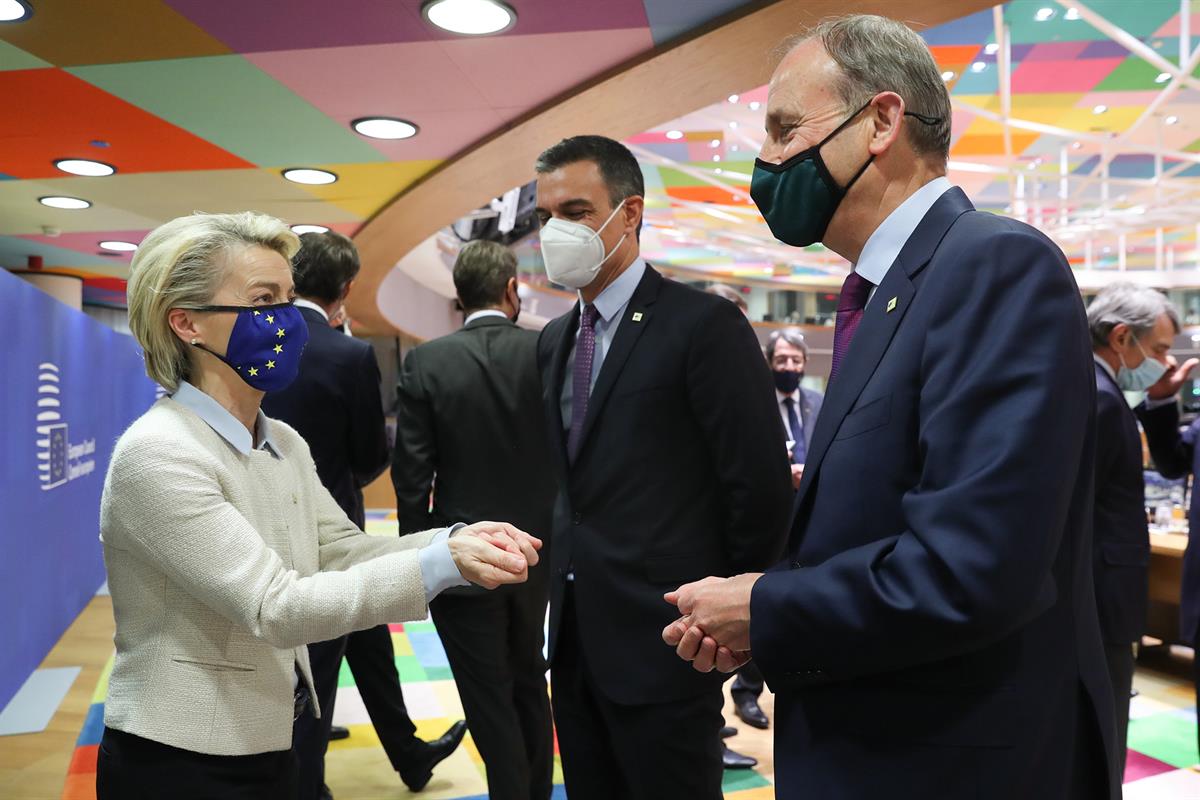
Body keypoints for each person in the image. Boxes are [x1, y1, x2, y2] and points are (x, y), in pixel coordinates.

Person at [663, 15, 1117, 799]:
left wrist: (767, 607)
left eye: (782, 128)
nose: (765, 160)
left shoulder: (993, 264)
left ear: (880, 120)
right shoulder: (884, 295)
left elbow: (969, 568)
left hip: (953, 762)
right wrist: (762, 617)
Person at [96, 211, 539, 800]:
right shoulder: (159, 454)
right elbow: (274, 605)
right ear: (186, 323)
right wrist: (441, 564)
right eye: (263, 299)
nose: (288, 318)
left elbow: (340, 550)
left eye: (288, 296)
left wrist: (452, 540)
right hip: (185, 755)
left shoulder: (281, 441)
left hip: (272, 735)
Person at [534, 135, 793, 800]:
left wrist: (737, 619)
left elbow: (756, 487)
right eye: (545, 217)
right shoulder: (555, 341)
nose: (556, 231)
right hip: (574, 642)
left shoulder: (704, 326)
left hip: (671, 639)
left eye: (577, 210)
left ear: (630, 214)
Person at [261, 231, 466, 799]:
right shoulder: (349, 353)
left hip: (263, 526)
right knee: (315, 669)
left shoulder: (258, 341)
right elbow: (371, 456)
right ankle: (308, 786)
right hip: (334, 533)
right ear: (347, 287)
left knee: (372, 645)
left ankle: (410, 754)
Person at [392, 239, 557, 800]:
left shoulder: (426, 361)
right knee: (530, 681)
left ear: (458, 297)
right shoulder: (546, 352)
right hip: (538, 553)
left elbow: (411, 476)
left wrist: (419, 565)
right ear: (512, 290)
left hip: (462, 560)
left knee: (487, 696)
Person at [1086, 283, 1192, 776]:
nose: (1167, 364)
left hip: (1104, 590)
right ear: (1123, 337)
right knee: (1104, 725)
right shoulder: (1102, 397)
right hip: (1103, 590)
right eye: (1161, 350)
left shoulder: (1098, 391)